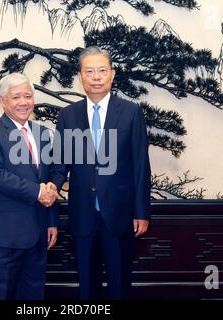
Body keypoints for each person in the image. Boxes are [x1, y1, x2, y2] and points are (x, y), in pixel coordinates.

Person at [49, 46, 151, 299]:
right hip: (82, 214)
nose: (96, 77)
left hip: (120, 213)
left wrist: (141, 211)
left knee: (119, 285)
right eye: (90, 71)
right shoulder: (67, 116)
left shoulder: (130, 112)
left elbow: (140, 165)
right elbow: (61, 163)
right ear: (81, 77)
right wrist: (52, 185)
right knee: (87, 286)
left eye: (102, 71)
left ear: (112, 74)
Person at [0, 72, 59, 300]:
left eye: (28, 96)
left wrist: (51, 220)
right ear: (3, 101)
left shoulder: (42, 134)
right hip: (2, 239)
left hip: (38, 236)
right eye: (16, 97)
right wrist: (39, 192)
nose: (23, 102)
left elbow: (47, 176)